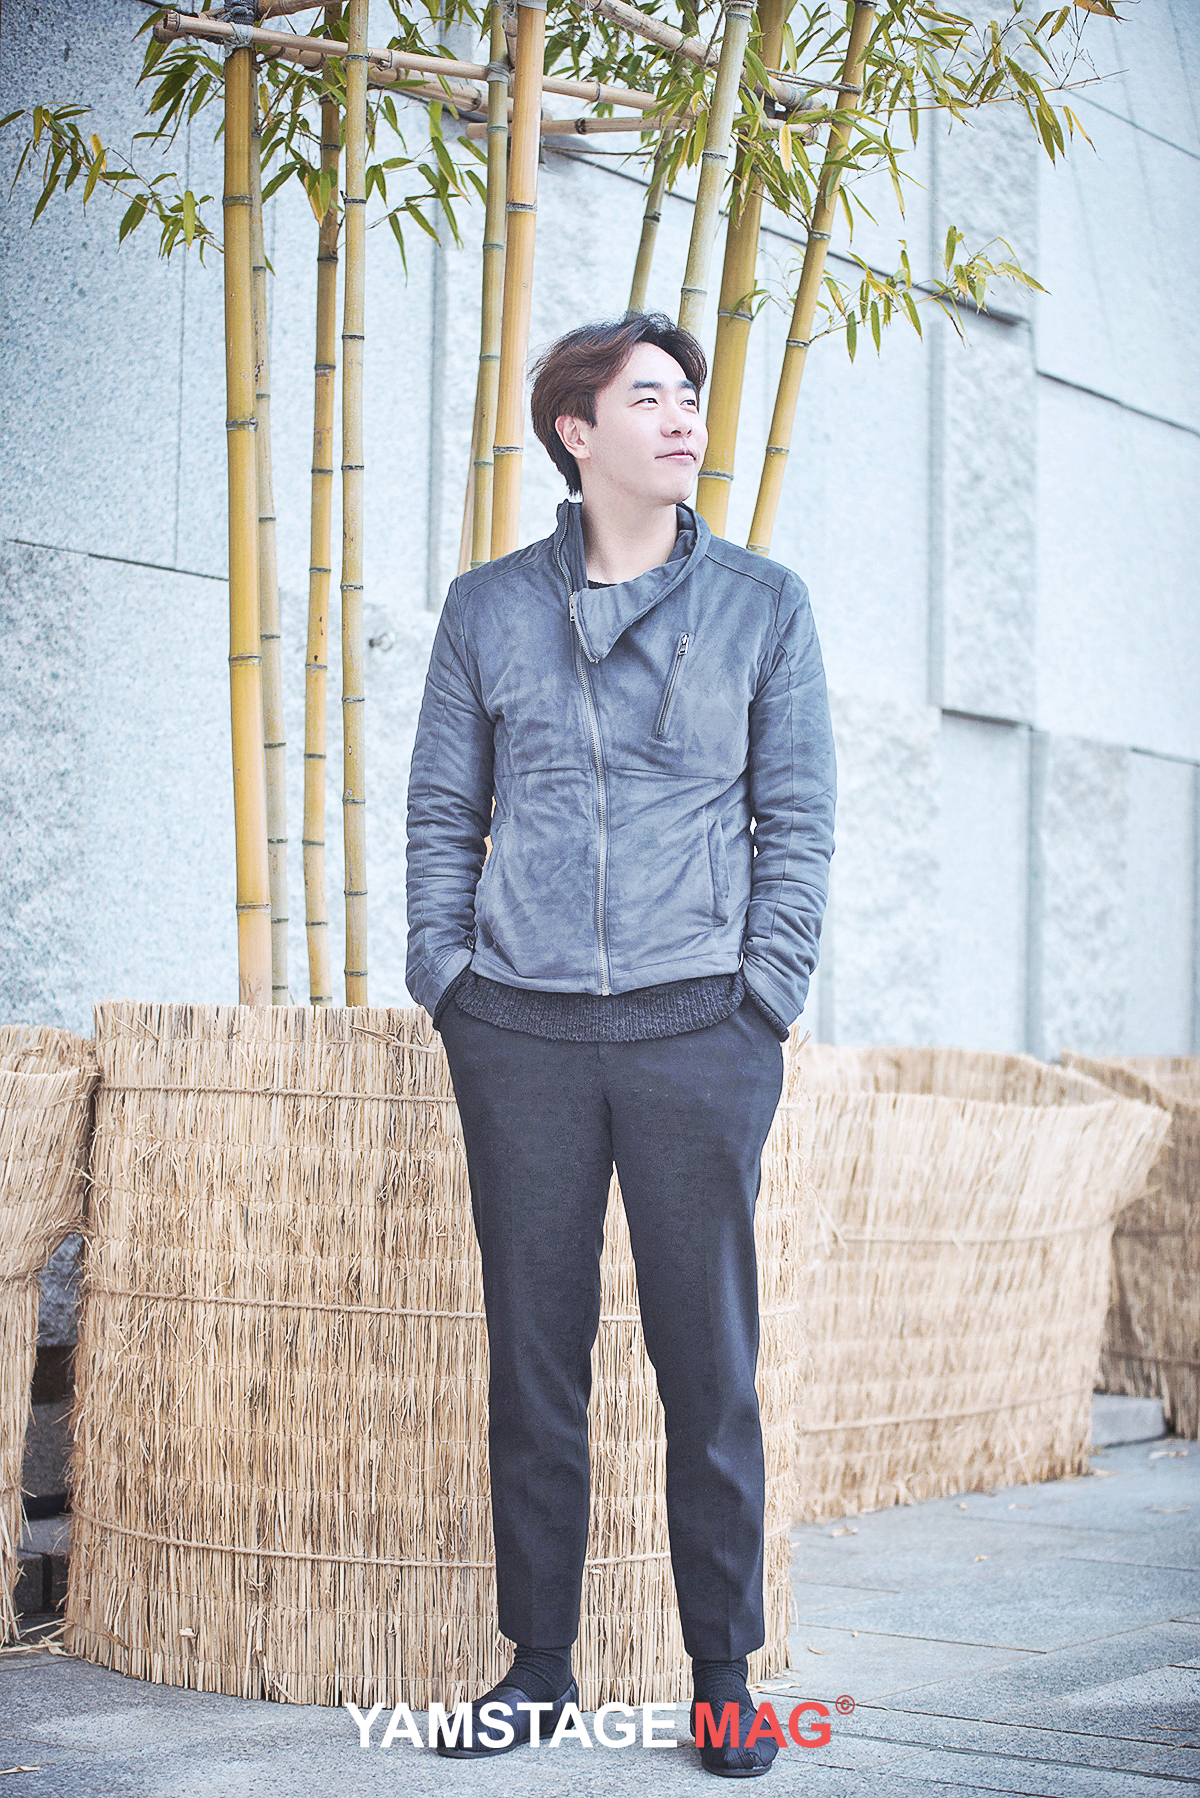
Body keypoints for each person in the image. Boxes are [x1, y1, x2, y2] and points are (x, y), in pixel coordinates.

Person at [405, 311, 835, 1778]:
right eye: (647, 396)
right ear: (575, 432)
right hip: (517, 1031)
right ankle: (537, 1666)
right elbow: (441, 811)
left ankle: (724, 1680)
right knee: (534, 1360)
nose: (682, 415)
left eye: (688, 395)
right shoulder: (487, 610)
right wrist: (450, 982)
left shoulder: (765, 607)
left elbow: (798, 822)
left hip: (699, 1027)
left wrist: (761, 1000)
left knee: (707, 1362)